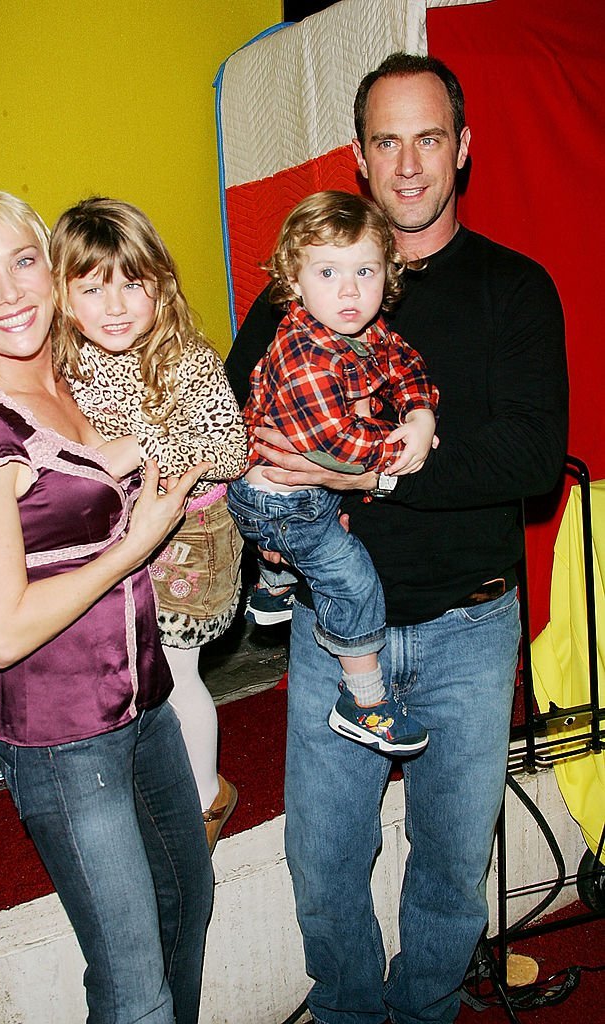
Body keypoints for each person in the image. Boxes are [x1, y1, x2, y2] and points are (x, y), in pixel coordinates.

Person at [224, 53, 568, 1024]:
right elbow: (227, 422)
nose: (409, 163)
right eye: (387, 140)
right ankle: (345, 1013)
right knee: (324, 863)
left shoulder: (515, 290)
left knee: (453, 871)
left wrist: (358, 472)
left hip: (470, 629)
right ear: (360, 158)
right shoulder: (300, 294)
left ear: (462, 149)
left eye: (429, 138)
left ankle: (424, 1013)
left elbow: (530, 460)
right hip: (337, 634)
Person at [0, 186, 214, 1024]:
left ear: (53, 267)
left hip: (147, 705)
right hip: (63, 740)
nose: (7, 293)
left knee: (188, 910)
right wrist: (134, 546)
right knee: (132, 982)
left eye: (23, 261)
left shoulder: (79, 374)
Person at [0, 196, 247, 850]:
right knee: (140, 677)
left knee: (176, 673)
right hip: (124, 532)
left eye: (133, 286)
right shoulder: (66, 356)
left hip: (191, 538)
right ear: (63, 296)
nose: (115, 307)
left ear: (163, 288)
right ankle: (164, 795)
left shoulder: (182, 358)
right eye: (92, 289)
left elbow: (230, 448)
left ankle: (206, 796)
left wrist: (136, 449)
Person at [227, 190, 438, 754]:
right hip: (275, 502)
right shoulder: (305, 353)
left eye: (365, 271)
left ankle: (274, 588)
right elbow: (338, 445)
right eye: (328, 271)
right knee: (353, 582)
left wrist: (419, 415)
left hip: (309, 492)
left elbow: (407, 363)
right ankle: (364, 701)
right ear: (294, 281)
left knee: (329, 525)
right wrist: (400, 452)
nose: (350, 290)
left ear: (387, 276)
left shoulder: (361, 330)